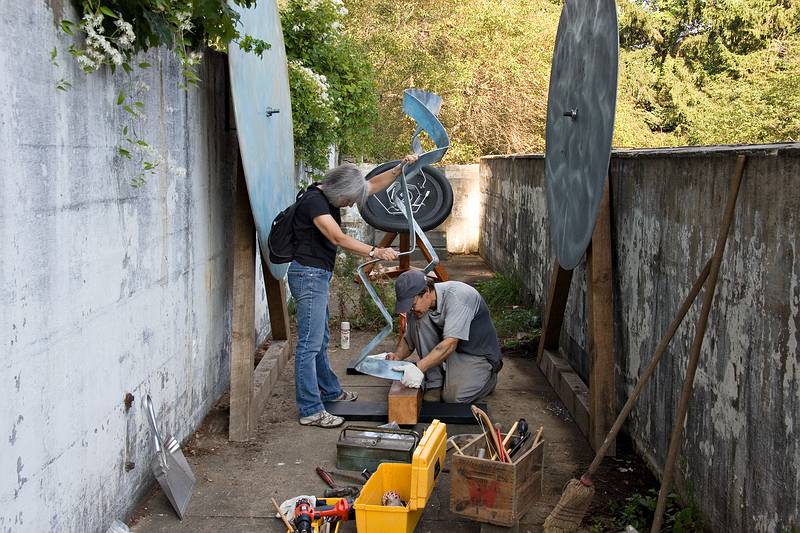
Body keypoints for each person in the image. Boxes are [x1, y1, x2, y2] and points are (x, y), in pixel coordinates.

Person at [288, 155, 418, 428]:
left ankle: (331, 392)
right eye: (348, 201)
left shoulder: (330, 193)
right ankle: (311, 409)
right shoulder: (314, 202)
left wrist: (398, 168)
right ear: (338, 193)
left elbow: (371, 185)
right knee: (308, 346)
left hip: (317, 276)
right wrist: (375, 251)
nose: (349, 205)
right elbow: (338, 238)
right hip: (309, 277)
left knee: (319, 340)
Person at [387, 270, 503, 403]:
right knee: (419, 318)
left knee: (453, 398)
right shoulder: (421, 307)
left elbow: (450, 344)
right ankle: (434, 384)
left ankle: (488, 379)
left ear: (426, 292)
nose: (411, 309)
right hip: (452, 352)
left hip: (477, 354)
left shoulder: (459, 297)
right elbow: (409, 339)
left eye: (412, 305)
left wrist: (418, 368)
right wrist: (397, 356)